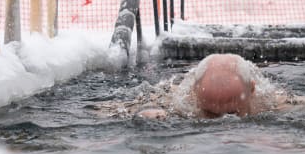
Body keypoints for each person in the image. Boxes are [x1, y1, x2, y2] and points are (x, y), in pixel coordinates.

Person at [95, 53, 285, 120]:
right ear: (194, 93)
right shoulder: (177, 100)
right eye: (211, 114)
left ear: (252, 90)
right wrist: (145, 112)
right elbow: (101, 111)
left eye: (233, 113)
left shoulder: (270, 102)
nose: (222, 123)